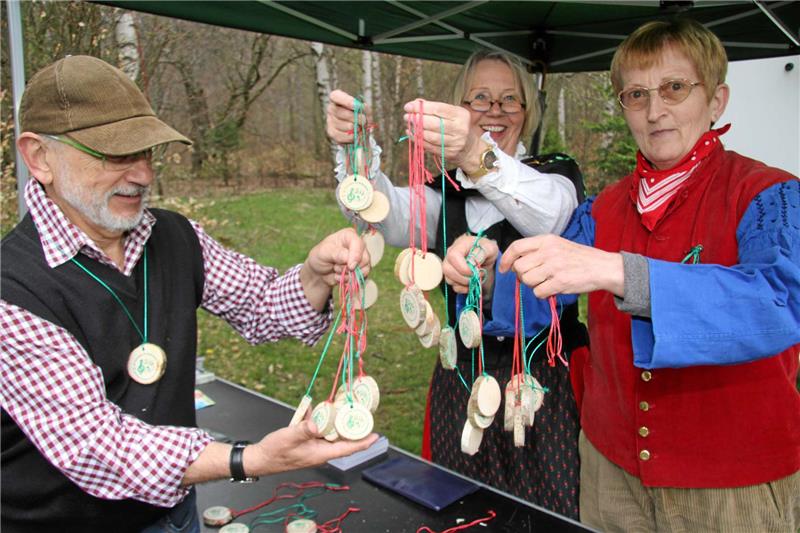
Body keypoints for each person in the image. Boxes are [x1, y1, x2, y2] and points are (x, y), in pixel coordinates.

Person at [0, 55, 377, 533]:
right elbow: (98, 446)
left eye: (146, 152)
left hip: (175, 515)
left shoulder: (173, 235)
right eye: (115, 154)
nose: (143, 175)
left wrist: (315, 275)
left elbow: (261, 303)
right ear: (39, 157)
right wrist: (248, 459)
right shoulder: (12, 290)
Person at [498, 19, 800, 531]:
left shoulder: (769, 194)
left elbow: (780, 302)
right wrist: (489, 268)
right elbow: (534, 299)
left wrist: (621, 272)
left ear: (717, 100)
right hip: (609, 470)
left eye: (674, 88)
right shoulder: (605, 207)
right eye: (636, 95)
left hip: (731, 486)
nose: (655, 111)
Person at [326, 50, 589, 518]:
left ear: (527, 110)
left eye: (510, 99)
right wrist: (357, 153)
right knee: (457, 508)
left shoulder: (554, 175)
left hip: (545, 382)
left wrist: (474, 153)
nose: (495, 111)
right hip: (461, 376)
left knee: (548, 512)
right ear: (460, 108)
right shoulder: (446, 190)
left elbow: (552, 216)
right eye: (480, 98)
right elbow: (386, 214)